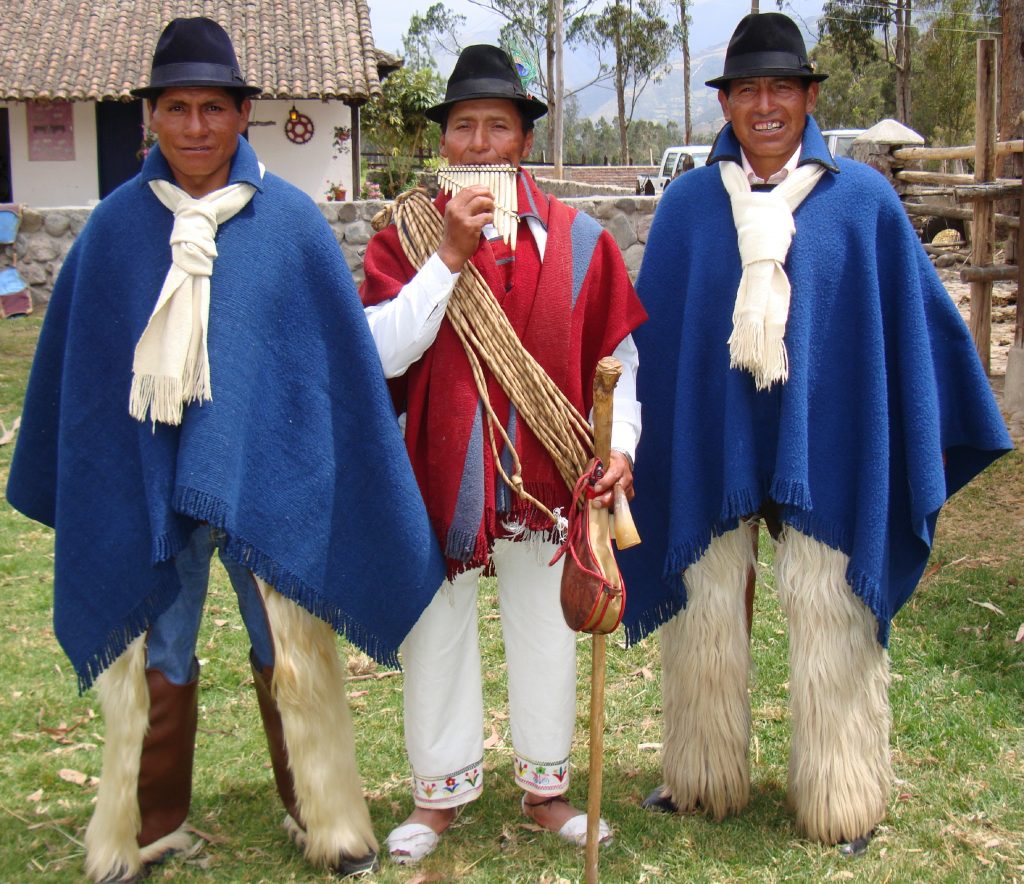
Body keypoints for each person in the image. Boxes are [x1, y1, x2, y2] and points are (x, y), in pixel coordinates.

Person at [6, 17, 444, 882]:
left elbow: (327, 369)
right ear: (151, 119)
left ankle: (323, 812)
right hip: (146, 481)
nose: (197, 126)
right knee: (154, 642)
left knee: (285, 639)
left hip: (263, 478)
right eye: (178, 107)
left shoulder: (290, 229)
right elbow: (83, 375)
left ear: (245, 114)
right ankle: (146, 820)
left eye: (214, 107)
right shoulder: (112, 232)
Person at [621, 12, 1012, 855]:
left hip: (827, 438)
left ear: (809, 97)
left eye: (782, 89)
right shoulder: (690, 207)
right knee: (705, 599)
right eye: (748, 91)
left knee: (829, 604)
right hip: (714, 435)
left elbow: (907, 325)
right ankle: (700, 773)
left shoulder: (861, 202)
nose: (765, 106)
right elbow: (661, 339)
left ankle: (842, 794)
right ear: (725, 104)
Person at [360, 44, 647, 864]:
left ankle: (546, 793)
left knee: (548, 628)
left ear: (524, 139)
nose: (479, 143)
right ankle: (438, 797)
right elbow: (381, 352)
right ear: (443, 140)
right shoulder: (404, 236)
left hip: (549, 477)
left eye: (498, 126)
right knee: (437, 632)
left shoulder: (582, 241)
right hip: (443, 474)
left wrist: (618, 446)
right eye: (463, 127)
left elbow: (618, 364)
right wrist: (447, 259)